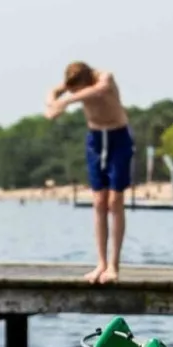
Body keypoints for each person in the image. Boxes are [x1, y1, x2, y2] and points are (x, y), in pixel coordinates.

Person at [45, 62, 134, 283]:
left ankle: (113, 266)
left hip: (118, 138)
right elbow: (53, 92)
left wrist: (65, 101)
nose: (77, 94)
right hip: (95, 140)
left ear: (86, 80)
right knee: (98, 202)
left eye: (78, 89)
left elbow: (99, 90)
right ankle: (101, 263)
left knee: (115, 201)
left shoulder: (105, 77)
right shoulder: (72, 85)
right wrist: (52, 104)